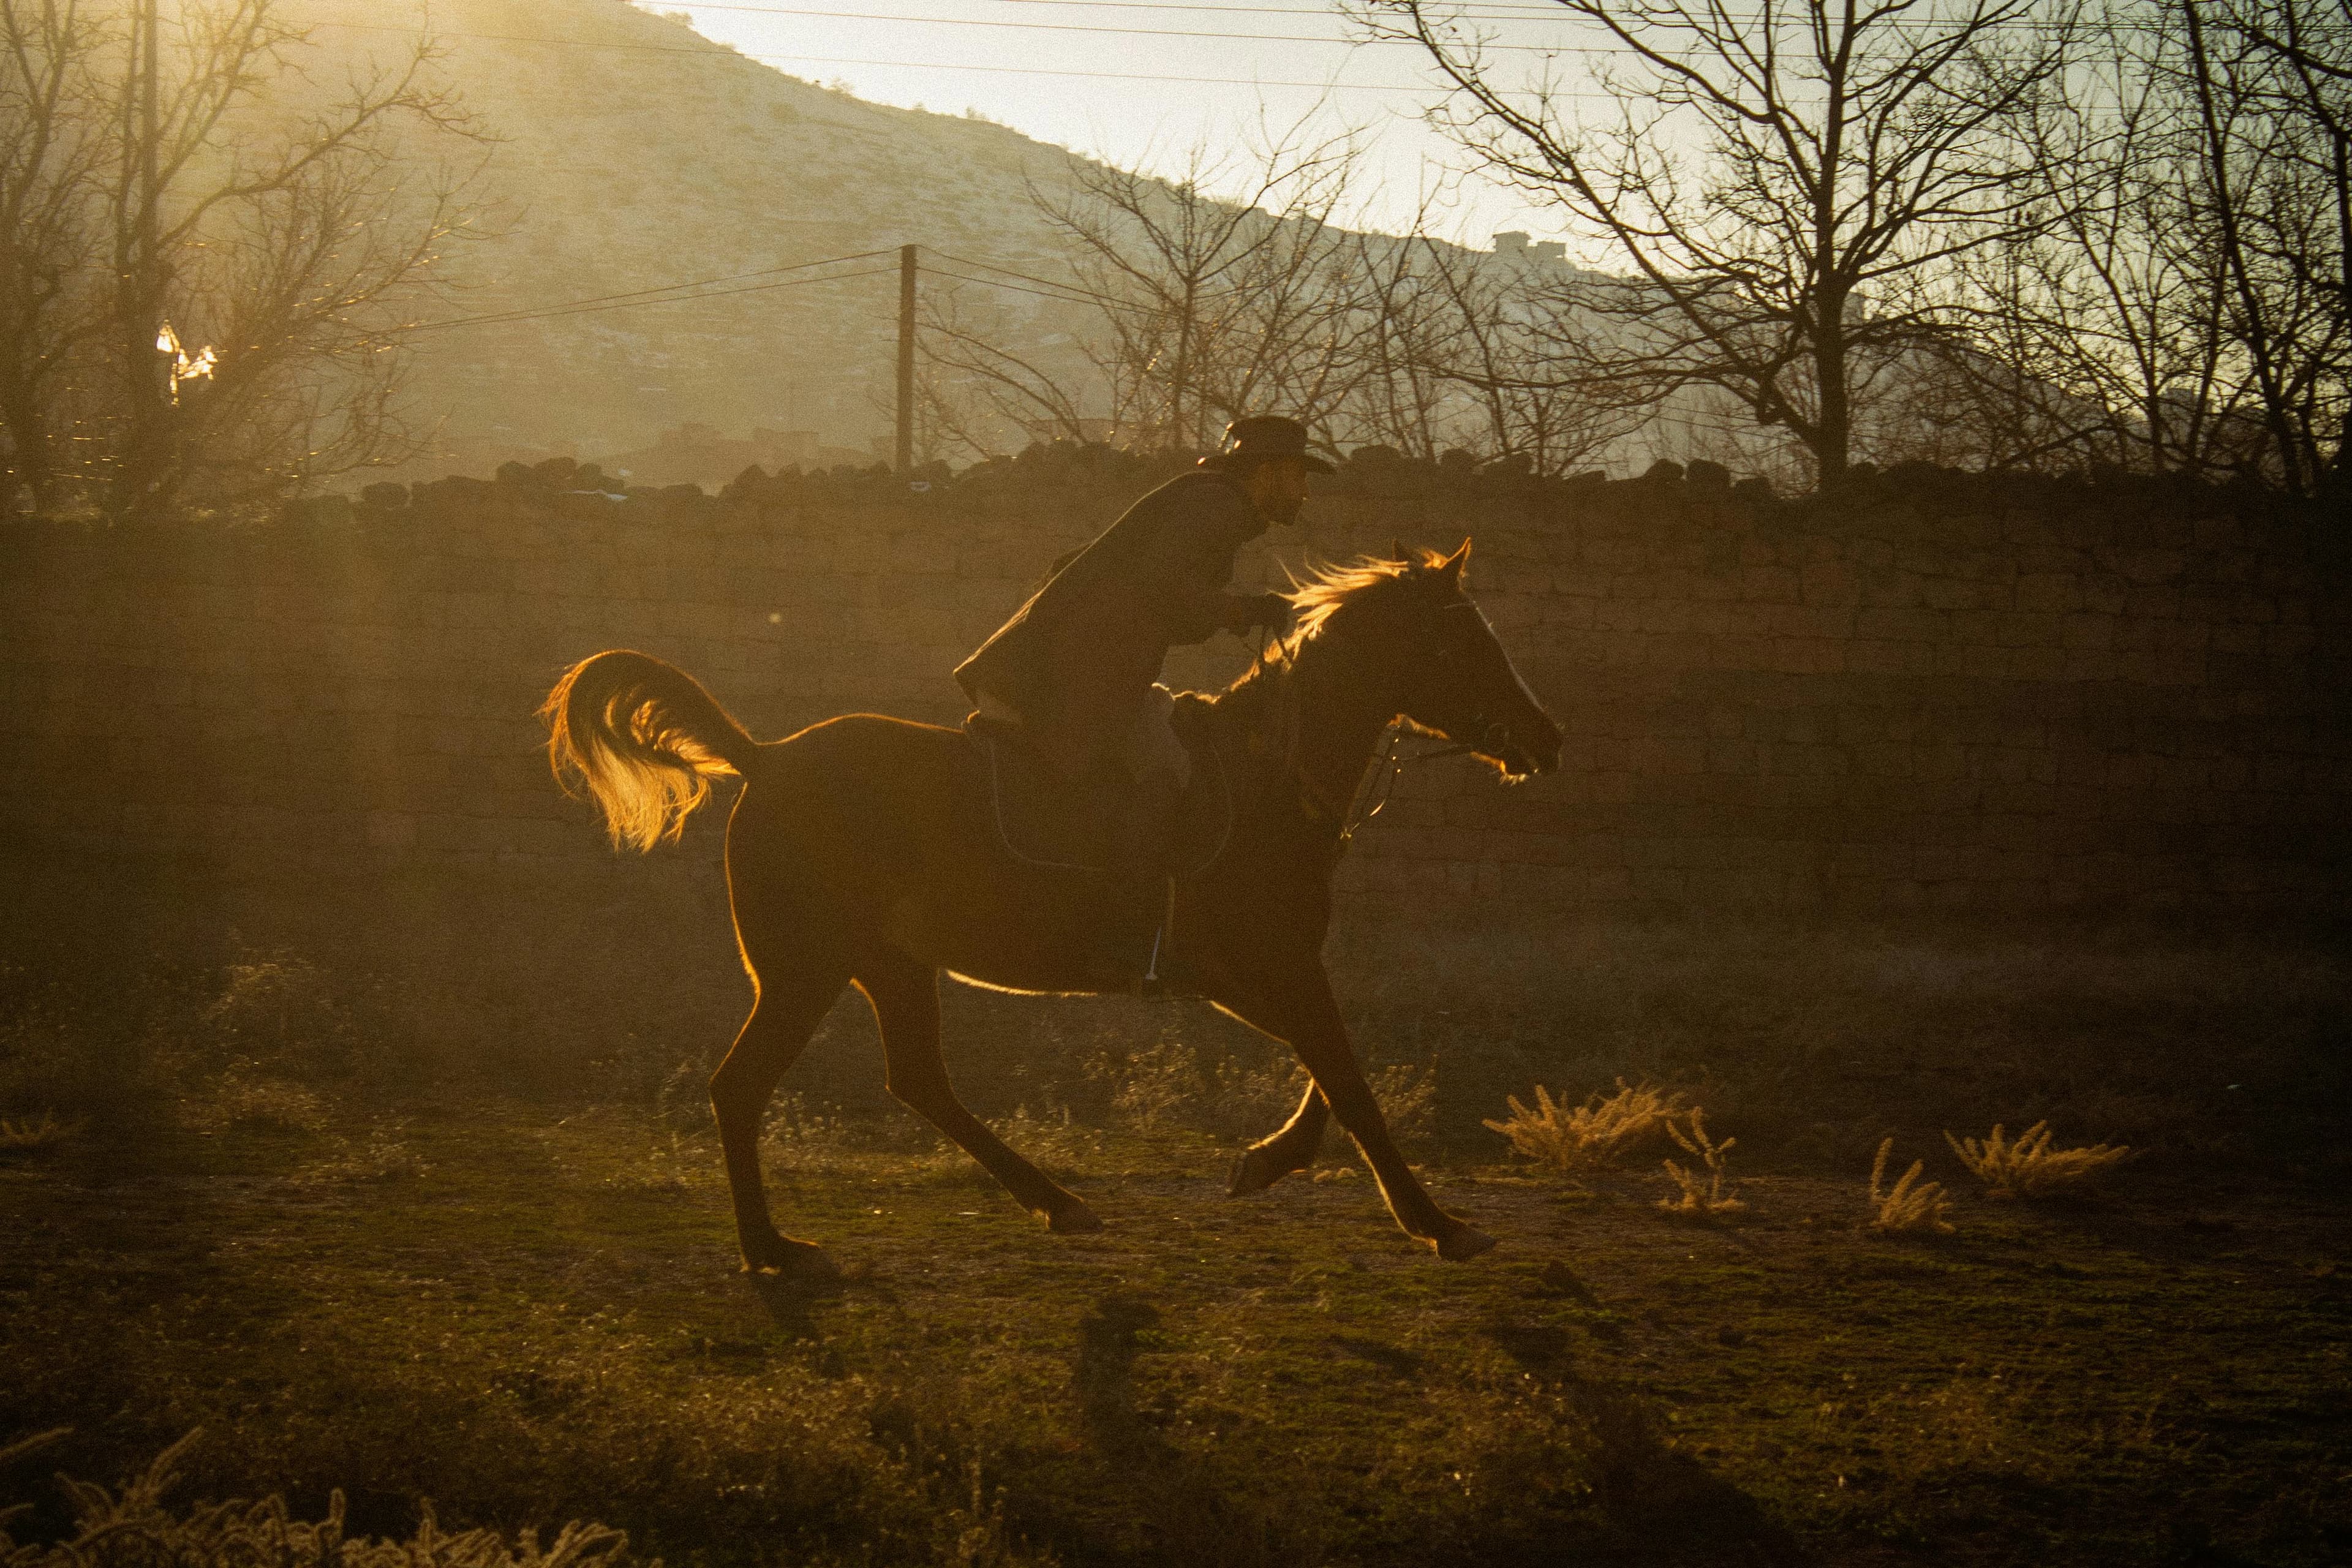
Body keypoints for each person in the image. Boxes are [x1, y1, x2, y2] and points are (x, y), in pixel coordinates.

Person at [955, 416, 1332, 977]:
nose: (1304, 492)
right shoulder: (1218, 507)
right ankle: (1119, 932)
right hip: (1069, 678)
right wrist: (1240, 610)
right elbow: (1167, 587)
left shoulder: (1206, 500)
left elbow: (1156, 593)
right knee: (1166, 766)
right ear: (1267, 472)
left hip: (1080, 670)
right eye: (1298, 476)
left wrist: (1234, 608)